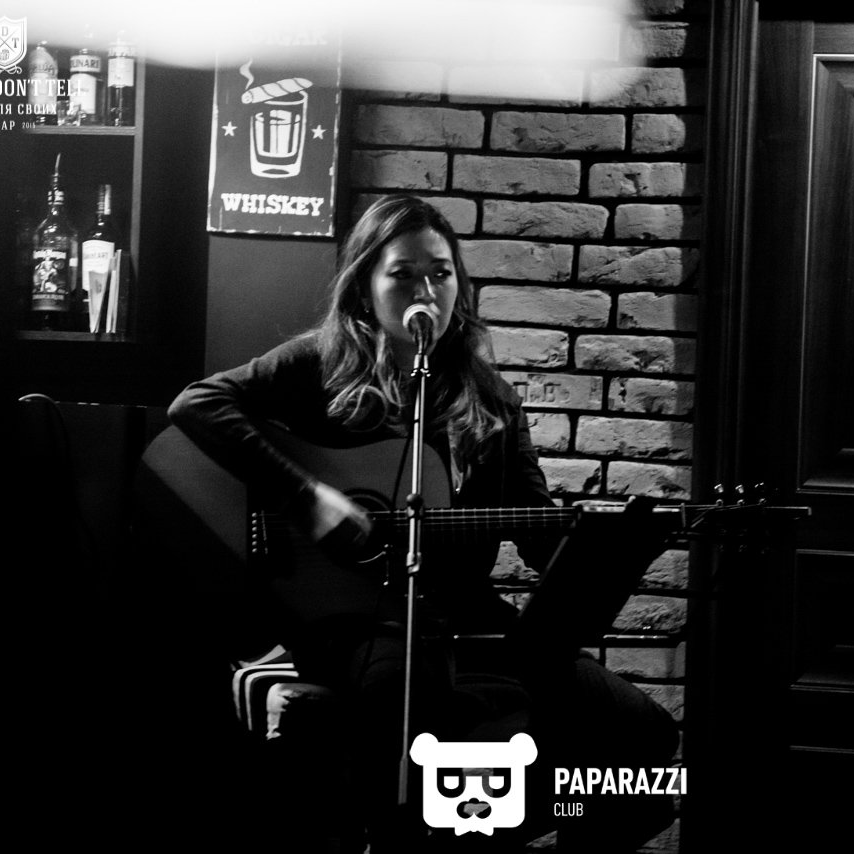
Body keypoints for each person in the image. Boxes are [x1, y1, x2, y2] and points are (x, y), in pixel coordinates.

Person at [167, 195, 678, 852]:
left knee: (644, 737)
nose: (425, 291)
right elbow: (197, 404)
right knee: (414, 704)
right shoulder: (318, 363)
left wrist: (601, 543)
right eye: (403, 274)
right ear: (365, 286)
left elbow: (538, 533)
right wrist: (307, 496)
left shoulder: (492, 398)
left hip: (467, 614)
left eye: (439, 273)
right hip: (358, 617)